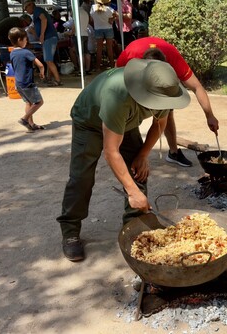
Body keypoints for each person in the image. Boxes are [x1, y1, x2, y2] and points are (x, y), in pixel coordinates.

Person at [56, 59, 190, 261]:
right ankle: (70, 231)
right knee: (82, 177)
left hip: (124, 123)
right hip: (89, 121)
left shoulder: (164, 91)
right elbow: (111, 151)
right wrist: (133, 191)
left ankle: (133, 226)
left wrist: (143, 154)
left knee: (138, 170)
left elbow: (159, 124)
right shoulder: (118, 95)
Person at [116, 36, 219, 167]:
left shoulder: (173, 57)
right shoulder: (131, 55)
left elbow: (197, 87)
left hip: (162, 58)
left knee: (167, 108)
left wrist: (209, 115)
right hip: (132, 73)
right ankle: (122, 147)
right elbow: (116, 80)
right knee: (128, 110)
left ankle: (173, 153)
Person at [8, 27, 45, 132]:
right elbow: (40, 65)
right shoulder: (26, 52)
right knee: (39, 102)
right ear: (20, 40)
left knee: (28, 102)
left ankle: (31, 124)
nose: (26, 41)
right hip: (27, 83)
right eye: (25, 39)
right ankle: (24, 119)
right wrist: (42, 73)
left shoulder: (12, 53)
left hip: (18, 83)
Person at [24, 0, 62, 86]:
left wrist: (42, 34)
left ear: (31, 5)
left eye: (26, 8)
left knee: (48, 60)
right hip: (50, 37)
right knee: (49, 59)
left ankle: (58, 80)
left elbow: (44, 20)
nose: (26, 10)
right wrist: (38, 34)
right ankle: (49, 78)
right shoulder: (38, 12)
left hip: (48, 37)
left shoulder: (37, 10)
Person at [90, 0, 117, 71]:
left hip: (98, 29)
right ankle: (112, 65)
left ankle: (98, 67)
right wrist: (112, 19)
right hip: (108, 28)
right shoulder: (109, 9)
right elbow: (117, 14)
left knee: (99, 49)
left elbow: (91, 19)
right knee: (109, 48)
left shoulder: (93, 8)